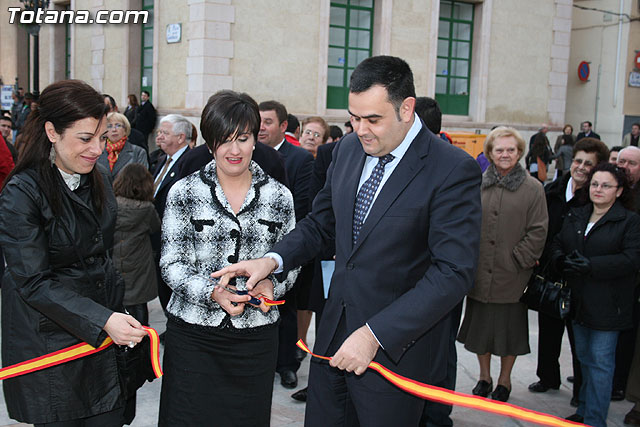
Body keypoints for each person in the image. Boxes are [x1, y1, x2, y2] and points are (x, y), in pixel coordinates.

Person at [213, 55, 482, 426]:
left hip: (396, 356)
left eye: (373, 119)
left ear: (406, 109)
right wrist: (272, 260)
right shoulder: (348, 149)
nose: (361, 130)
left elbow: (452, 272)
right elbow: (321, 224)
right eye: (354, 118)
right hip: (333, 340)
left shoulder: (451, 168)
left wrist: (375, 335)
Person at [0, 79, 148, 426]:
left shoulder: (98, 178)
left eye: (102, 137)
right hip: (52, 344)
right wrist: (103, 319)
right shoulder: (22, 193)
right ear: (52, 132)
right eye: (85, 139)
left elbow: (103, 254)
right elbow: (33, 281)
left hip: (104, 337)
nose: (97, 149)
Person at [157, 90, 298, 426]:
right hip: (193, 337)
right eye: (224, 140)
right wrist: (211, 292)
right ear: (210, 144)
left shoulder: (279, 196)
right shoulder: (185, 192)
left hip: (255, 339)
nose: (234, 151)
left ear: (255, 140)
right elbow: (171, 263)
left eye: (243, 139)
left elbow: (291, 261)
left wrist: (272, 284)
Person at [457, 127, 548, 403]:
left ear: (519, 153)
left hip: (513, 275)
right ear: (490, 153)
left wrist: (518, 259)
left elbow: (538, 230)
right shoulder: (477, 184)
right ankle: (484, 377)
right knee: (480, 330)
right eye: (499, 150)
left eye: (511, 149)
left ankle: (504, 380)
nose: (505, 154)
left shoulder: (533, 188)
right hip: (480, 272)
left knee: (510, 333)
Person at [553, 162, 640, 426]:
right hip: (578, 302)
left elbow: (631, 259)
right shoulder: (577, 214)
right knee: (584, 360)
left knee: (601, 364)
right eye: (594, 184)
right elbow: (558, 242)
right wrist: (561, 259)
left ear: (619, 190)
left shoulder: (629, 221)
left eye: (606, 185)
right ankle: (584, 410)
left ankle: (594, 420)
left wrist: (592, 266)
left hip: (609, 306)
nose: (598, 189)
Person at [528, 137, 609, 407]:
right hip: (550, 270)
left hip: (579, 276)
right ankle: (547, 377)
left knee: (578, 339)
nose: (581, 167)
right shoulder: (553, 190)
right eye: (578, 161)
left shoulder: (596, 198)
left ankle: (580, 390)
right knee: (549, 330)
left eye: (589, 163)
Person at [258, 100, 314, 389]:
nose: (261, 128)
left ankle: (287, 365)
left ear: (283, 126)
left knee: (286, 307)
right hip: (251, 248)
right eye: (258, 122)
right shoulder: (247, 154)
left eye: (268, 122)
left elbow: (303, 205)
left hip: (286, 246)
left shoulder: (300, 159)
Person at [150, 114, 192, 311]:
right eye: (159, 132)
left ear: (181, 137)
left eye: (165, 133)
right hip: (157, 233)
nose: (159, 136)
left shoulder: (189, 162)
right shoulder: (161, 159)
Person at [112, 163, 160, 326]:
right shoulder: (147, 209)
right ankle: (142, 336)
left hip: (116, 258)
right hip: (139, 261)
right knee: (139, 304)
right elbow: (155, 227)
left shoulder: (111, 206)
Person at [97, 112, 148, 179]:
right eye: (109, 126)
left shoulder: (138, 152)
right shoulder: (98, 151)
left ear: (125, 129)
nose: (114, 130)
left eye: (118, 125)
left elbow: (142, 180)